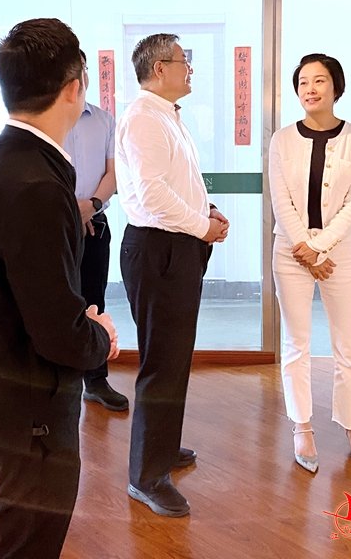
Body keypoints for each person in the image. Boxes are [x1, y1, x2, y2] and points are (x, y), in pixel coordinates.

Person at [0, 18, 118, 559]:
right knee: (27, 543)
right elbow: (56, 332)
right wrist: (99, 335)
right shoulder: (37, 184)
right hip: (29, 413)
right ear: (74, 87)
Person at [116, 33, 229, 518]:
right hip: (158, 250)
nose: (190, 68)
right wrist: (203, 226)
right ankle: (146, 477)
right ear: (159, 68)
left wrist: (207, 210)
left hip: (175, 247)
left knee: (174, 357)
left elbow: (178, 184)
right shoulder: (144, 117)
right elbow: (152, 195)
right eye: (184, 60)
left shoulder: (166, 115)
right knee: (162, 362)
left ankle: (161, 447)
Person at [268, 53, 351, 472]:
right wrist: (305, 248)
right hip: (290, 251)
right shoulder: (281, 140)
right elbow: (281, 201)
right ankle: (302, 426)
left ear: (336, 87)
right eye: (303, 82)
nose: (310, 89)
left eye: (319, 81)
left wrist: (321, 248)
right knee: (297, 343)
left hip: (339, 252)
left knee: (347, 343)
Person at [63, 49, 128, 412]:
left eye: (83, 68)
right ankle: (61, 381)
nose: (80, 75)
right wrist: (70, 210)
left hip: (95, 223)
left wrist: (91, 205)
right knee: (60, 300)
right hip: (56, 223)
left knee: (94, 298)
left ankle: (96, 379)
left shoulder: (104, 121)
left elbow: (113, 173)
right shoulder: (49, 120)